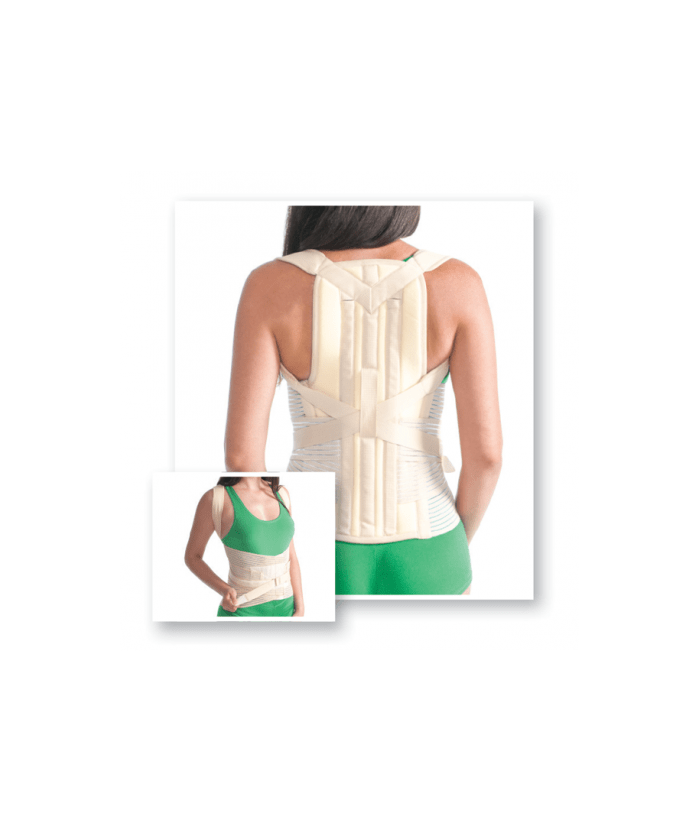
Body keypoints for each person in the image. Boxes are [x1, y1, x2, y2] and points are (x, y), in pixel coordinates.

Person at [225, 206, 502, 595]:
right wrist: (450, 543)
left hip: (315, 544)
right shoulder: (458, 283)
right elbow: (487, 456)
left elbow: (242, 458)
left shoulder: (269, 284)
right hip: (431, 551)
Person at [185, 476, 304, 616]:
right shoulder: (216, 498)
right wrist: (224, 589)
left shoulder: (281, 493)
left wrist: (300, 608)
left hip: (287, 611)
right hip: (242, 611)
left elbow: (291, 556)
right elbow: (192, 557)